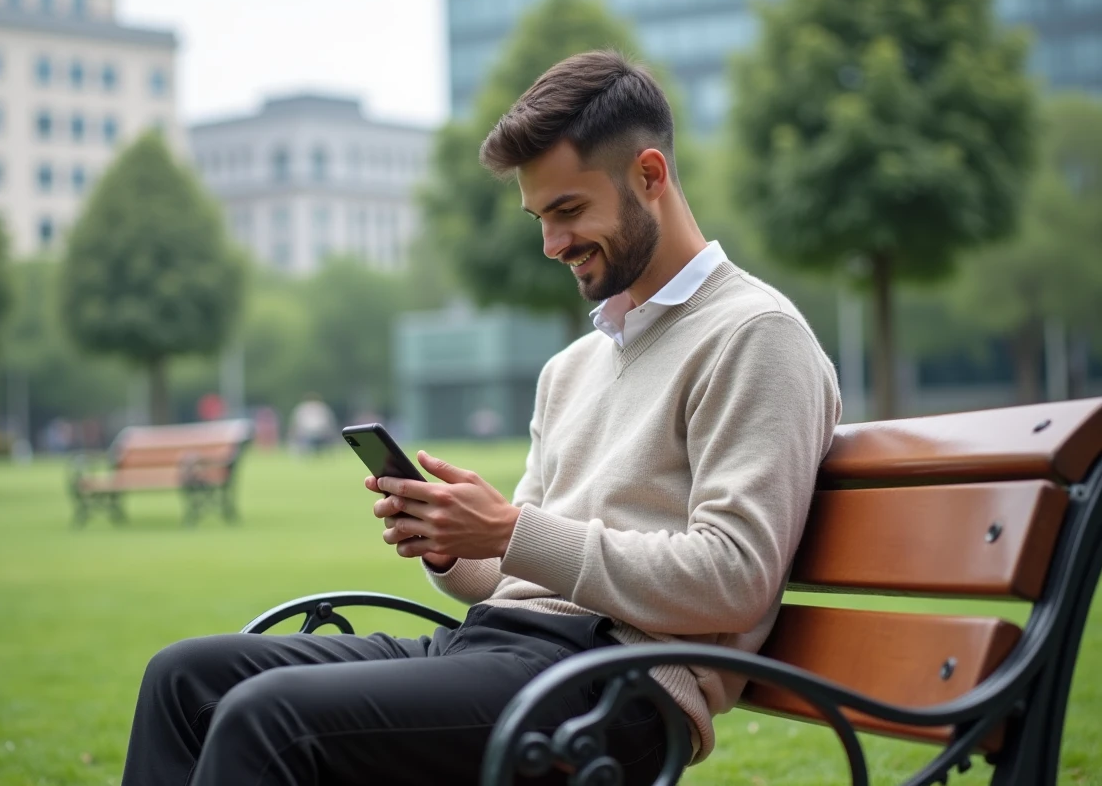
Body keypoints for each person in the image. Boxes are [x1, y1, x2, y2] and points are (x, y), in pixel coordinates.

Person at [120, 50, 841, 786]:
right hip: (498, 651)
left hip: (617, 691)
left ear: (649, 176)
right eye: (540, 218)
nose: (551, 245)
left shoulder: (755, 336)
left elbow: (735, 577)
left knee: (269, 717)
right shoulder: (573, 368)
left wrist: (509, 531)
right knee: (184, 679)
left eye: (568, 211)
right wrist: (451, 543)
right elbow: (515, 574)